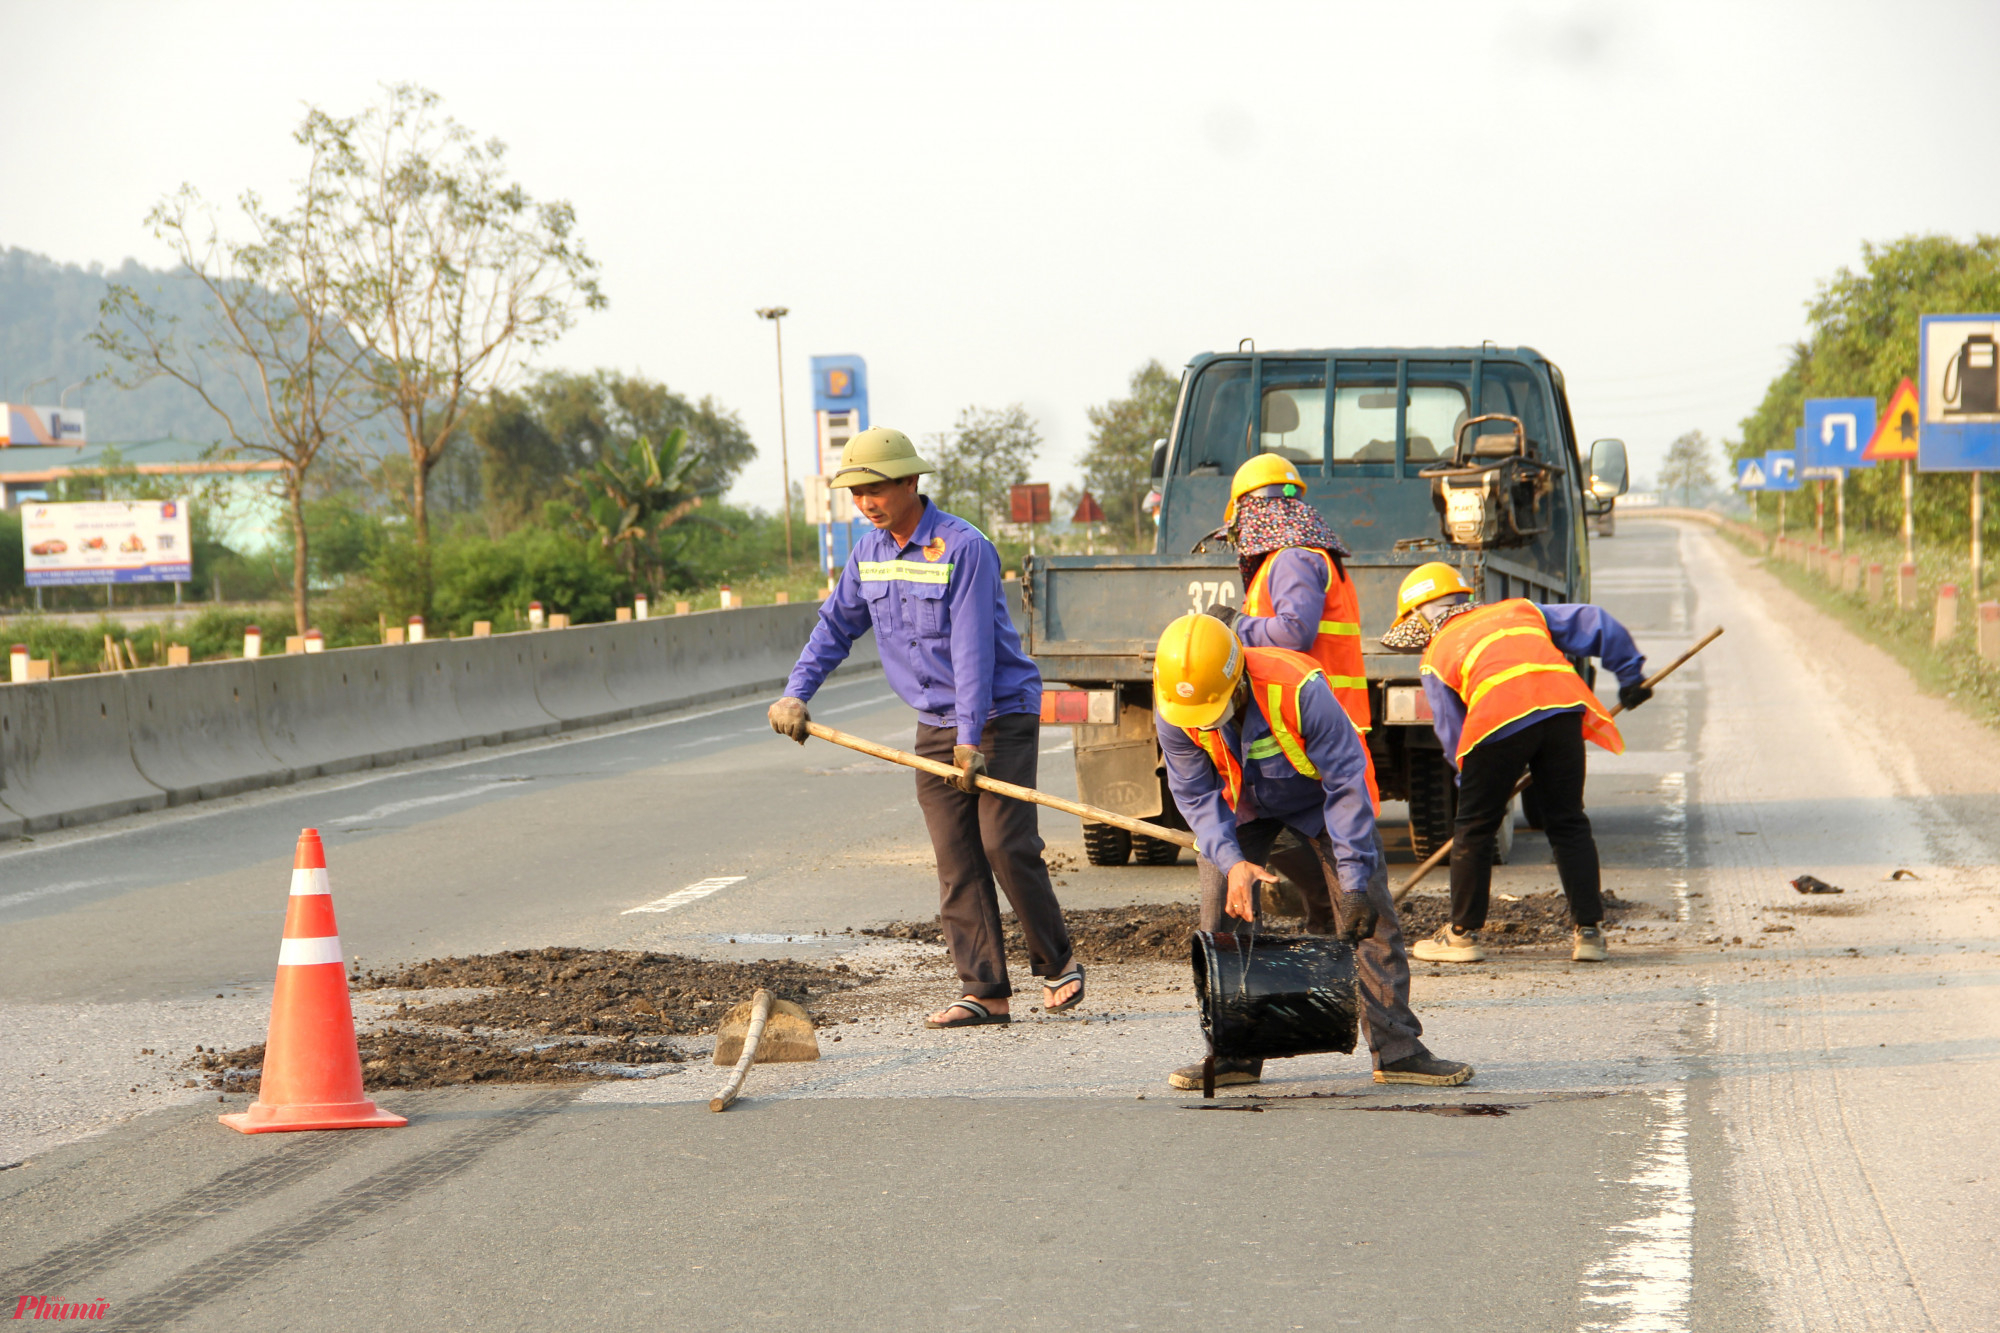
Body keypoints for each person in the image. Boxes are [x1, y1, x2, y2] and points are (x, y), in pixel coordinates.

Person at [768, 428, 1082, 1028]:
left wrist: (970, 739)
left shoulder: (964, 548)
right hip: (934, 722)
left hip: (997, 715)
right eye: (857, 492)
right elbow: (835, 628)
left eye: (876, 488)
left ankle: (1058, 961)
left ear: (912, 482)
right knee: (955, 856)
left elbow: (973, 654)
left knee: (1004, 844)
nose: (866, 502)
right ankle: (985, 991)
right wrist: (795, 694)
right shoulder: (868, 554)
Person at [1153, 612, 1473, 1090]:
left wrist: (1354, 877)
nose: (1205, 722)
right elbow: (1196, 798)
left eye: (1214, 710)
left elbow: (1346, 786)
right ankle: (1235, 1052)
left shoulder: (1298, 689)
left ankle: (1398, 1050)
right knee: (1222, 911)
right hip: (1239, 808)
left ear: (1238, 679)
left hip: (1320, 801)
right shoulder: (1178, 706)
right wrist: (1232, 862)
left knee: (1367, 912)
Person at [1383, 562, 1650, 966]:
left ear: (1421, 615)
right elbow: (1594, 620)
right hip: (1562, 710)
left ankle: (1462, 936)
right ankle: (1590, 933)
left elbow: (1453, 732)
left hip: (1496, 722)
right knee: (1568, 820)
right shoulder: (1520, 610)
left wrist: (1471, 784)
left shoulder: (1436, 654)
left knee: (1474, 827)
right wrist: (1629, 673)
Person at [1208, 454, 1377, 934]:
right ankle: (1324, 915)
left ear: (1248, 514)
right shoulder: (1298, 557)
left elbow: (1293, 633)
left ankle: (1335, 918)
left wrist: (1235, 626)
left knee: (1339, 842)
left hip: (1313, 720)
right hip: (1310, 717)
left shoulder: (1292, 558)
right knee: (1293, 831)